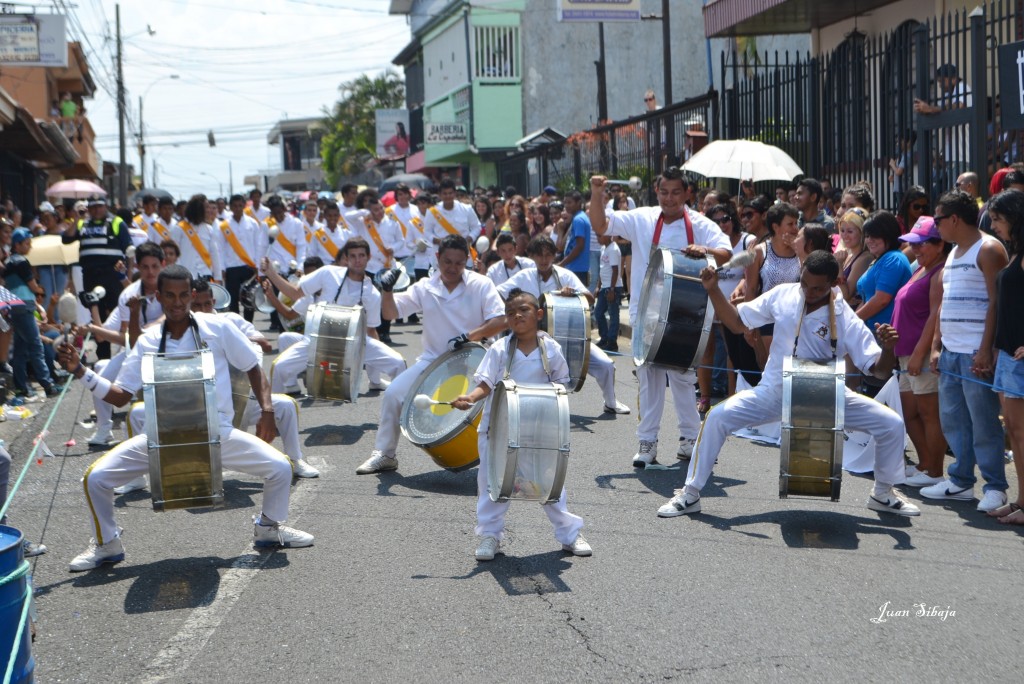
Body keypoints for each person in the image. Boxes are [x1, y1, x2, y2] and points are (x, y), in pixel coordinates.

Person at [57, 265, 314, 571]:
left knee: (280, 468)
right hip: (161, 437)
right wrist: (80, 371)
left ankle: (268, 529)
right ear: (158, 296)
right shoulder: (149, 340)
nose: (177, 302)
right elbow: (121, 396)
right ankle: (107, 544)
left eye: (183, 295)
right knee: (96, 479)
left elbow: (254, 368)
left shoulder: (218, 328)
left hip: (216, 433)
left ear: (192, 295)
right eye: (169, 296)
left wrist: (267, 410)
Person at [657, 251, 921, 519]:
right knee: (716, 418)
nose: (808, 291)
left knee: (891, 424)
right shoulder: (783, 294)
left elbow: (877, 370)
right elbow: (737, 323)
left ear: (833, 282)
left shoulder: (844, 315)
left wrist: (888, 350)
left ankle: (883, 493)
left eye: (817, 288)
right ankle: (690, 493)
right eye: (804, 283)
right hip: (775, 391)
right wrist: (713, 290)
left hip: (827, 396)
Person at [589, 168, 731, 466]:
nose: (669, 198)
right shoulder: (642, 218)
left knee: (683, 376)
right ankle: (648, 443)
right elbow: (601, 225)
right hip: (646, 313)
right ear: (657, 192)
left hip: (687, 313)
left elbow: (726, 253)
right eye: (664, 192)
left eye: (676, 192)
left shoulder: (701, 224)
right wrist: (597, 194)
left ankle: (690, 440)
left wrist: (704, 249)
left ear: (687, 194)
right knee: (649, 378)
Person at [452, 289, 591, 561]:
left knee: (550, 482)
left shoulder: (550, 348)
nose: (517, 315)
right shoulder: (499, 348)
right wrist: (470, 398)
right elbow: (485, 384)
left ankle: (569, 533)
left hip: (538, 431)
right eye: (511, 312)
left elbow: (561, 385)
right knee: (492, 483)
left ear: (538, 314)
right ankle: (490, 535)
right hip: (498, 430)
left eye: (524, 310)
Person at [355, 235, 509, 475]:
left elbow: (501, 320)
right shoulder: (424, 286)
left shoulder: (481, 284)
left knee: (498, 406)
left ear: (467, 261)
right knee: (394, 394)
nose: (452, 268)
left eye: (459, 263)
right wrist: (386, 290)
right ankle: (385, 454)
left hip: (476, 359)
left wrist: (469, 336)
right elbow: (391, 312)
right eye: (447, 261)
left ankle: (504, 461)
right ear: (437, 258)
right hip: (434, 360)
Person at [922, 190, 1009, 512]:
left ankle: (995, 486)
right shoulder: (954, 252)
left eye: (938, 220)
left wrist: (986, 350)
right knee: (954, 420)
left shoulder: (988, 249)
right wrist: (936, 346)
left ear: (954, 219)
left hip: (975, 352)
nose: (936, 226)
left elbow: (997, 302)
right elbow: (945, 302)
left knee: (984, 422)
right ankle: (960, 480)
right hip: (951, 351)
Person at [497, 235, 629, 415]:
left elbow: (590, 298)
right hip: (534, 338)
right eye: (540, 255)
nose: (544, 260)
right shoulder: (524, 276)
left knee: (605, 364)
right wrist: (512, 313)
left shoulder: (565, 275)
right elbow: (498, 293)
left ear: (554, 256)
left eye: (548, 255)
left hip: (569, 335)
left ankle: (611, 402)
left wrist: (574, 293)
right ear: (533, 256)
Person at [261, 238, 406, 395]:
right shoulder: (328, 273)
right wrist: (271, 273)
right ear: (346, 258)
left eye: (361, 255)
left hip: (354, 344)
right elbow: (295, 293)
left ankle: (397, 413)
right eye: (353, 256)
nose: (357, 260)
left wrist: (375, 367)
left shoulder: (373, 294)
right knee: (279, 368)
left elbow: (371, 331)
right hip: (318, 340)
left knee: (398, 363)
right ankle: (272, 414)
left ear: (368, 257)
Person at [892, 217, 950, 488]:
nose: (916, 250)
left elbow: (934, 317)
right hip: (905, 352)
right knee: (910, 413)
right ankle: (925, 463)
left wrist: (919, 353)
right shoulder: (921, 267)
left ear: (940, 245)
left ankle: (936, 471)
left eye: (922, 244)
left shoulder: (938, 272)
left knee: (929, 414)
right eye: (913, 244)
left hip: (921, 354)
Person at [985, 189, 1024, 524]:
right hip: (1009, 356)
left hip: (1020, 358)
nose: (994, 225)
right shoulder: (1015, 252)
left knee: (1021, 433)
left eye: (997, 219)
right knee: (1013, 429)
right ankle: (1020, 500)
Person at [62, 197, 132, 359]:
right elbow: (66, 239)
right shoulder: (82, 224)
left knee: (120, 312)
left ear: (105, 206)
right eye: (92, 208)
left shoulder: (116, 223)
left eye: (99, 206)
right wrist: (77, 218)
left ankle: (126, 352)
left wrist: (127, 278)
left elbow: (129, 250)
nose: (96, 210)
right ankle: (104, 356)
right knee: (97, 313)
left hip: (113, 276)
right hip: (91, 276)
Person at [745, 203, 801, 370]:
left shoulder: (801, 249)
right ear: (776, 227)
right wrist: (749, 323)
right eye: (790, 224)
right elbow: (751, 288)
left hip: (794, 318)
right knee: (770, 367)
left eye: (796, 223)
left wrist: (798, 250)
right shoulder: (759, 252)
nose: (795, 228)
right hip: (767, 317)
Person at [5, 229, 57, 397]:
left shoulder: (8, 262)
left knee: (21, 348)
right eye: (26, 243)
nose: (29, 246)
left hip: (12, 304)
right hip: (24, 304)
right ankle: (47, 384)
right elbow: (33, 287)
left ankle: (21, 386)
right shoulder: (22, 261)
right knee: (35, 345)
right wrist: (41, 290)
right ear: (17, 244)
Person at [855, 212, 912, 334]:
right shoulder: (880, 259)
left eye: (875, 236)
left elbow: (882, 300)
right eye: (867, 236)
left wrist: (852, 322)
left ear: (888, 234)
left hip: (886, 335)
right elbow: (867, 299)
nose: (870, 240)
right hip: (872, 332)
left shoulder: (893, 259)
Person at [215, 194, 267, 322]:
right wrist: (222, 268)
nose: (237, 208)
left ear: (244, 206)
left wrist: (257, 266)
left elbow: (258, 246)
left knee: (249, 299)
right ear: (230, 207)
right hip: (231, 267)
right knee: (232, 300)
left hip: (249, 267)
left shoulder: (252, 223)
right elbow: (219, 249)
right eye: (234, 206)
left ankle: (248, 324)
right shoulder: (224, 225)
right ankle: (236, 325)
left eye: (240, 205)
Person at [169, 194, 222, 283]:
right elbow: (174, 255)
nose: (209, 210)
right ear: (197, 209)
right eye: (206, 207)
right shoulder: (179, 228)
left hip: (205, 275)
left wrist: (218, 278)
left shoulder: (209, 229)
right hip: (186, 276)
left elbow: (214, 254)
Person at [835, 207, 871, 307]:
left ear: (862, 233)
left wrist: (839, 265)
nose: (845, 235)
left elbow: (844, 295)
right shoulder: (847, 255)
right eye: (842, 230)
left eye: (850, 231)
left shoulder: (864, 258)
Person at [593, 233, 622, 352]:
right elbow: (602, 269)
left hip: (612, 287)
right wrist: (598, 286)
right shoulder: (604, 248)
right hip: (604, 287)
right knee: (598, 312)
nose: (597, 238)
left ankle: (612, 342)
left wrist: (611, 289)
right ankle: (604, 338)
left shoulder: (613, 249)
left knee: (613, 314)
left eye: (599, 236)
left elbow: (615, 271)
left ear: (608, 235)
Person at [557, 191, 591, 286]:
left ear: (579, 203)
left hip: (576, 268)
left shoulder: (578, 220)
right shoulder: (580, 217)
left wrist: (563, 263)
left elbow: (579, 246)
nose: (567, 205)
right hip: (577, 267)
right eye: (565, 202)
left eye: (569, 202)